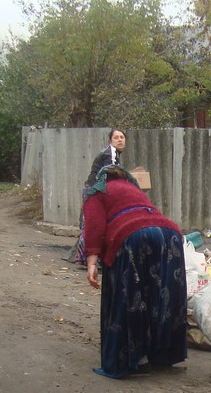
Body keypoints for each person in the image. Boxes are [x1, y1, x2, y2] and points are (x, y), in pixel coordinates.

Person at [83, 165, 187, 378]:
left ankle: (135, 360)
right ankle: (164, 355)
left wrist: (91, 261)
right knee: (163, 297)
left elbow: (94, 226)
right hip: (170, 234)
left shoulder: (96, 190)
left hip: (133, 236)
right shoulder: (134, 189)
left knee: (131, 297)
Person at [76, 129, 128, 266]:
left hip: (94, 190)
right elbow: (109, 171)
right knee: (92, 223)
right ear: (110, 141)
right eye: (116, 137)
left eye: (122, 137)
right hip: (94, 191)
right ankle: (86, 258)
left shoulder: (115, 154)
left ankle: (85, 257)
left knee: (91, 223)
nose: (120, 140)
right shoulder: (110, 152)